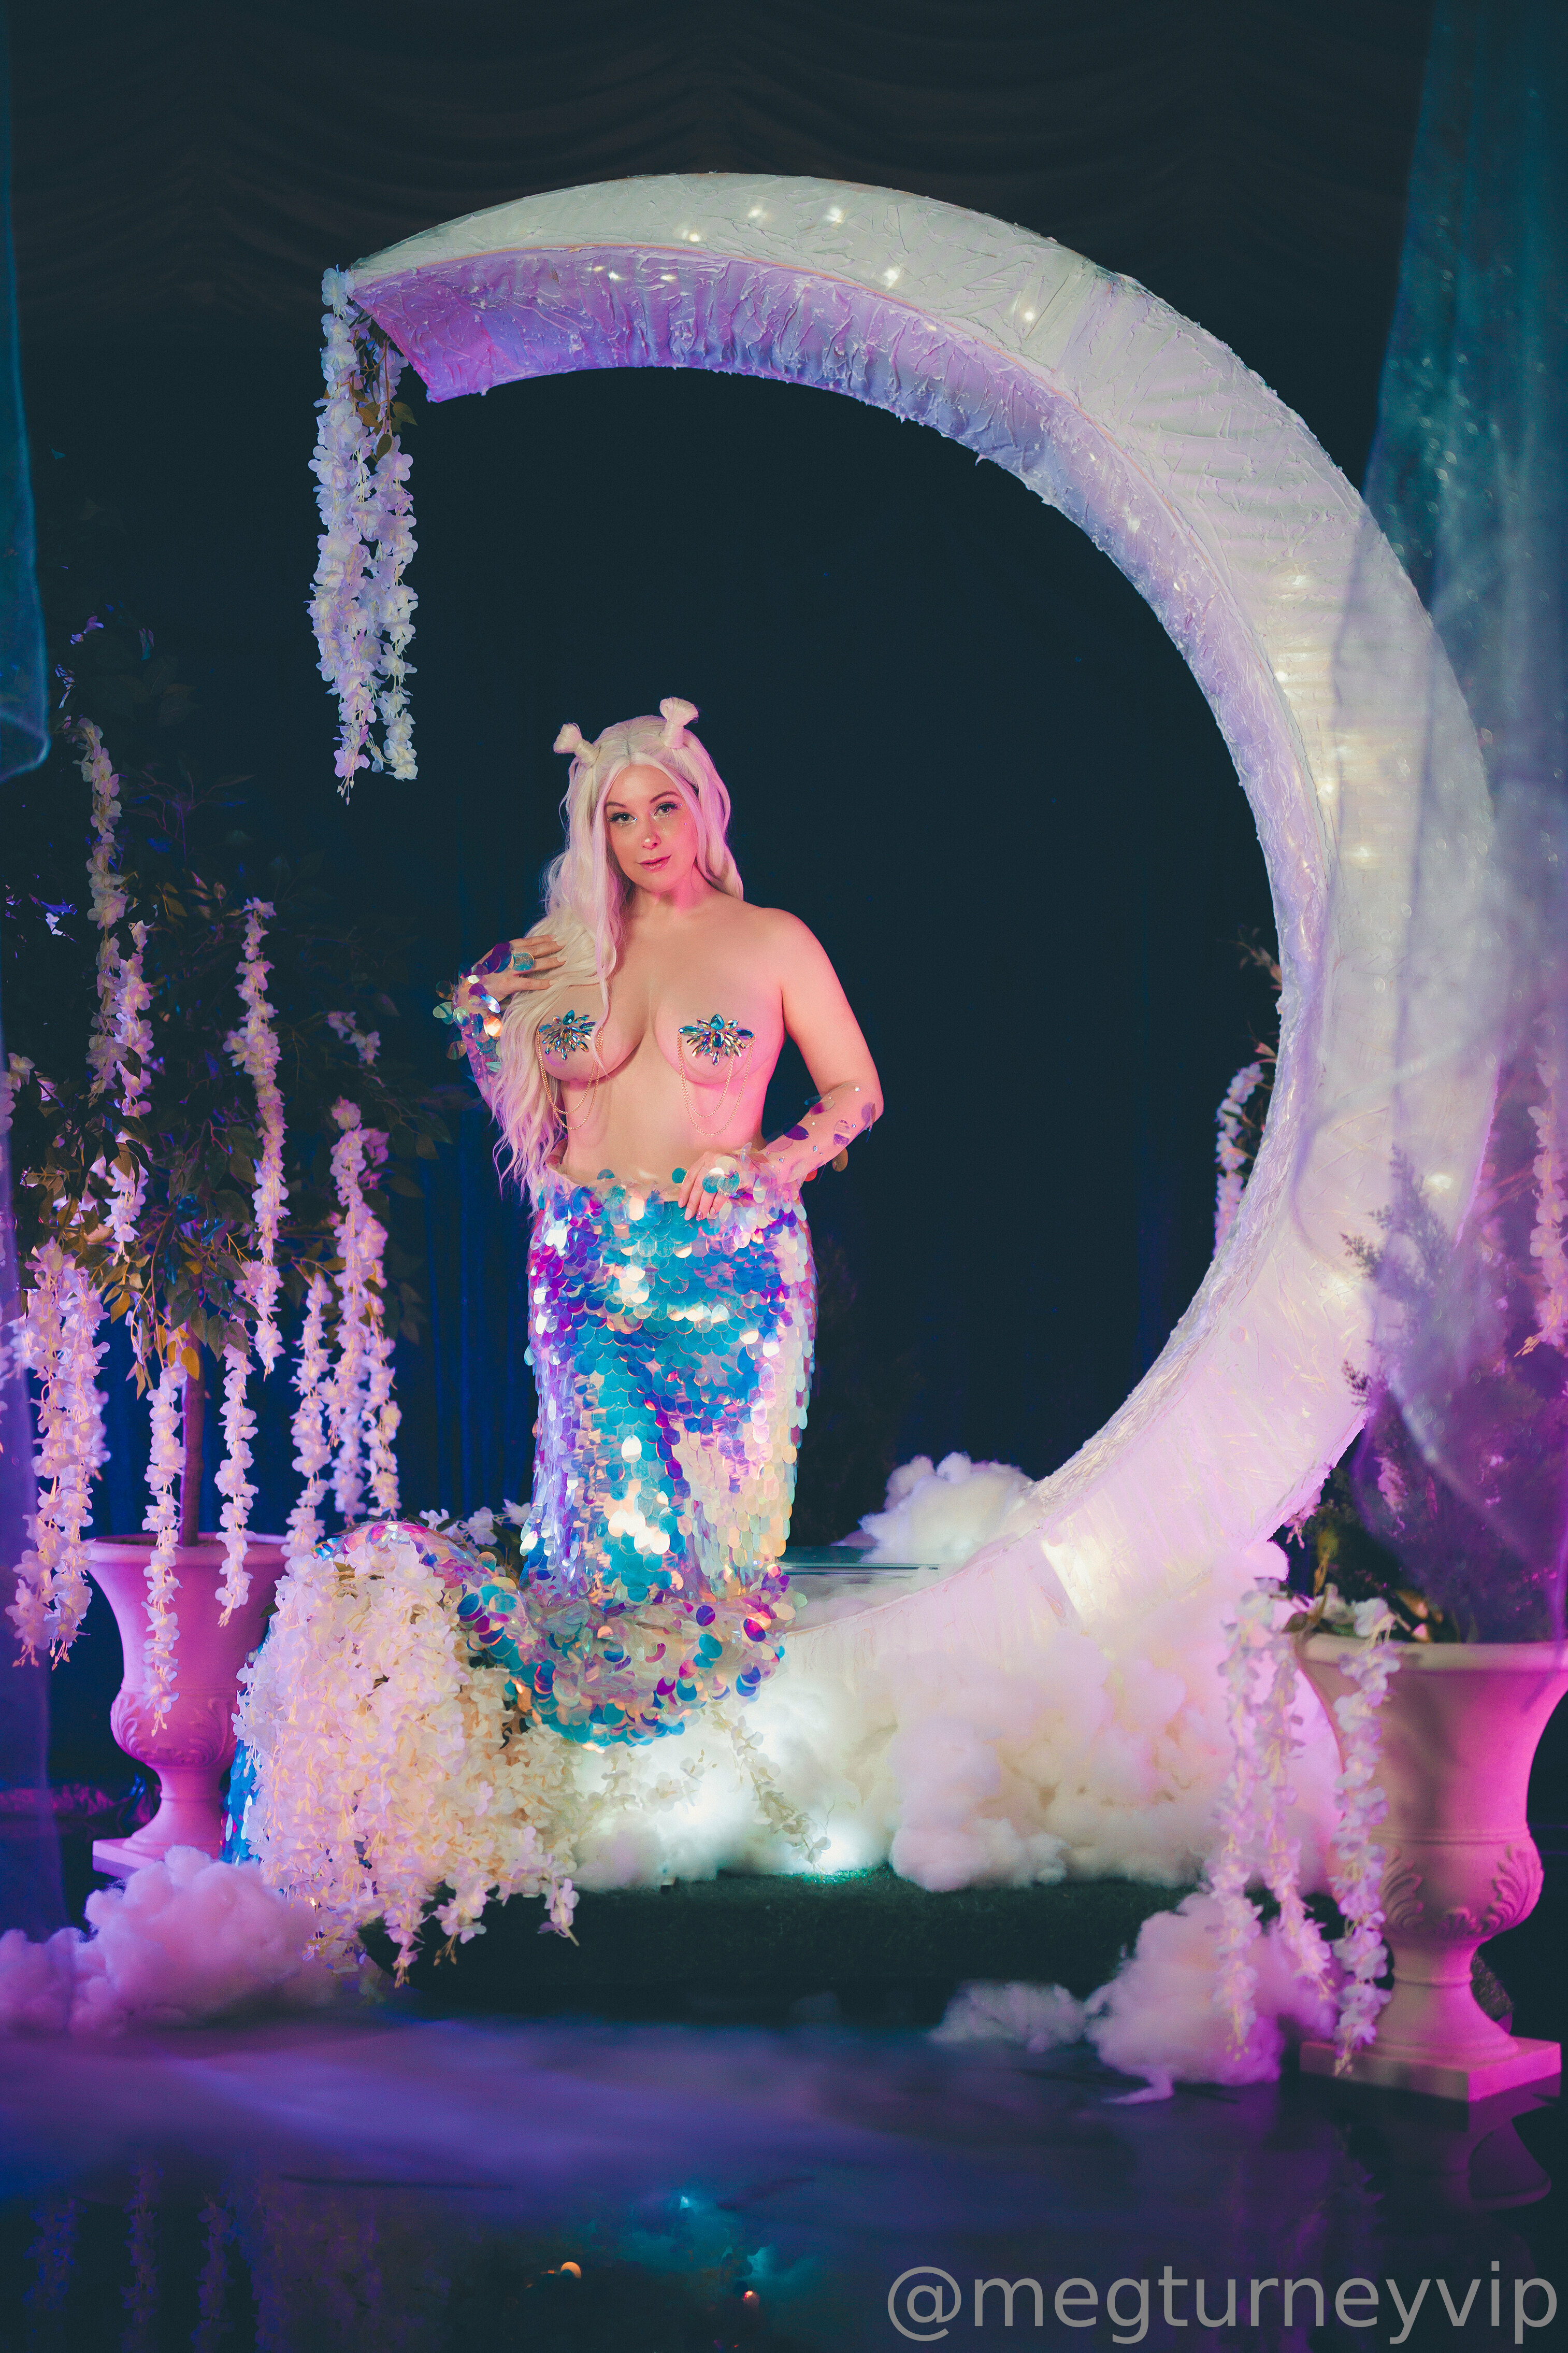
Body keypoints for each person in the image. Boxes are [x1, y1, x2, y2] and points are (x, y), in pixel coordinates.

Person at [438, 698, 882, 1744]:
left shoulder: (771, 939)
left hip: (729, 1271)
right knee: (607, 1509)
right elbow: (499, 1069)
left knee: (719, 1537)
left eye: (663, 808)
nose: (645, 835)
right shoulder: (562, 950)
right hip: (584, 1263)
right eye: (619, 816)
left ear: (703, 807)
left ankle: (695, 1761)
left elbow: (856, 1092)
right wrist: (484, 1014)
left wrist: (765, 1164)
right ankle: (608, 1750)